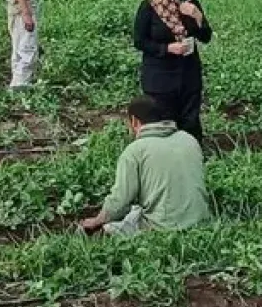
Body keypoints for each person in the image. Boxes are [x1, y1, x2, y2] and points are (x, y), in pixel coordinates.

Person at [80, 96, 209, 236]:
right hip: (201, 222)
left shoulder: (135, 151)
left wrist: (97, 220)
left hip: (162, 228)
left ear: (134, 121)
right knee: (137, 210)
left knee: (103, 229)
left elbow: (120, 202)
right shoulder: (188, 140)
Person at [133, 0, 213, 142]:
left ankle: (192, 153)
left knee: (190, 119)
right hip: (160, 77)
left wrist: (198, 17)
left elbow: (206, 37)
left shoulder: (191, 4)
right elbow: (139, 41)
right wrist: (167, 48)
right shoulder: (150, 7)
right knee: (162, 120)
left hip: (188, 73)